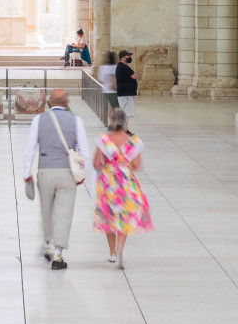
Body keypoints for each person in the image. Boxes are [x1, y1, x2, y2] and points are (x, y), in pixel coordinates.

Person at [23, 94, 90, 270]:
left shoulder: (39, 120)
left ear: (49, 102)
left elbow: (30, 148)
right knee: (64, 212)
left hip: (45, 171)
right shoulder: (76, 121)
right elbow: (84, 151)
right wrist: (82, 173)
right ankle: (58, 253)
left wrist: (26, 172)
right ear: (67, 104)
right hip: (67, 171)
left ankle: (47, 244)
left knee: (46, 209)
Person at [91, 108, 151, 267]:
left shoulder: (104, 140)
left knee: (109, 214)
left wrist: (108, 163)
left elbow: (96, 164)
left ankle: (111, 253)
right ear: (125, 123)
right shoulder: (134, 141)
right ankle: (120, 248)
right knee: (124, 216)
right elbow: (137, 165)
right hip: (126, 182)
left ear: (111, 121)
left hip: (108, 182)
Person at [114, 50, 138, 118]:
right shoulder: (123, 67)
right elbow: (135, 76)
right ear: (123, 57)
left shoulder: (122, 66)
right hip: (125, 93)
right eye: (128, 56)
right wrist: (135, 74)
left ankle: (124, 127)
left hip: (126, 93)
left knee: (125, 113)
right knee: (124, 112)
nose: (129, 57)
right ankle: (122, 127)